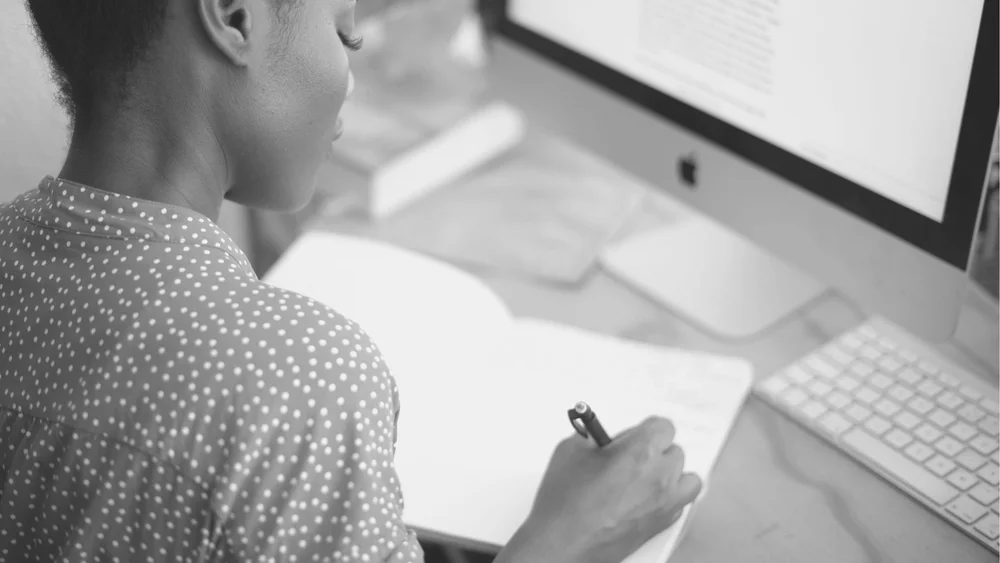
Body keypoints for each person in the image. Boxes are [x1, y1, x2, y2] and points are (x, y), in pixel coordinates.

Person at [0, 1, 702, 561]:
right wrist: (569, 536)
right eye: (345, 34)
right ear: (234, 16)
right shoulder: (293, 383)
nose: (351, 78)